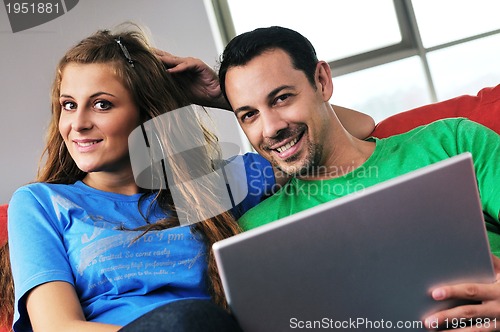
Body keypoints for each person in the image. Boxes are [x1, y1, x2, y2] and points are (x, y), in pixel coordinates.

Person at [6, 23, 375, 331]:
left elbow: (354, 130)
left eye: (102, 104)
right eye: (69, 105)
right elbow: (58, 328)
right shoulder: (41, 203)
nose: (78, 123)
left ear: (146, 113)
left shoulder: (209, 189)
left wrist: (223, 96)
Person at [214, 26, 499, 330]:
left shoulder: (452, 142)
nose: (270, 128)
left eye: (282, 98)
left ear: (321, 81)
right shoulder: (251, 234)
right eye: (249, 114)